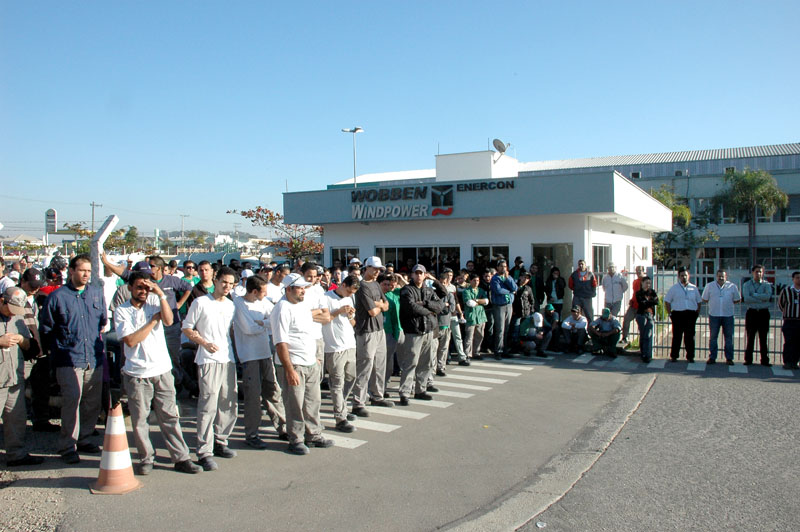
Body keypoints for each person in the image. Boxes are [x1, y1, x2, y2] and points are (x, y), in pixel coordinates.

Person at [115, 272, 202, 475]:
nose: (144, 291)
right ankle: (146, 458)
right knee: (140, 420)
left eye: (147, 287)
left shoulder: (155, 302)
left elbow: (170, 320)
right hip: (137, 373)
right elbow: (131, 340)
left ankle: (181, 458)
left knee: (170, 416)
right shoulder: (122, 311)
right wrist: (153, 322)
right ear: (129, 288)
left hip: (162, 369)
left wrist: (160, 294)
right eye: (139, 287)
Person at [39, 254, 107, 464]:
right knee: (71, 401)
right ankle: (68, 444)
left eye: (89, 271)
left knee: (91, 402)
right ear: (71, 271)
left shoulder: (96, 294)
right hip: (68, 358)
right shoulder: (57, 297)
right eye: (82, 270)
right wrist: (56, 351)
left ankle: (85, 437)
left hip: (93, 358)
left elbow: (102, 322)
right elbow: (46, 330)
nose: (86, 275)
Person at [181, 266, 238, 471]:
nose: (227, 287)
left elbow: (230, 332)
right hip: (207, 360)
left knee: (228, 402)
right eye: (224, 282)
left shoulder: (232, 305)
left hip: (227, 359)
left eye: (231, 284)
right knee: (208, 405)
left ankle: (221, 440)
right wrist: (204, 343)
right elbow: (187, 327)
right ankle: (204, 451)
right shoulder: (201, 302)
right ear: (216, 280)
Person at [271, 273, 334, 455]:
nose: (303, 291)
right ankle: (296, 439)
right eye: (300, 288)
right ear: (289, 288)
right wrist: (289, 369)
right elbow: (281, 343)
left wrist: (314, 357)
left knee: (312, 401)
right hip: (294, 364)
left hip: (310, 362)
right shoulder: (281, 309)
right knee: (294, 404)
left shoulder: (302, 305)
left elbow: (308, 333)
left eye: (304, 287)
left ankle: (313, 435)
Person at [232, 274, 287, 449]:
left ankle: (283, 427)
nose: (265, 295)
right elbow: (248, 329)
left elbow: (275, 319)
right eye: (263, 292)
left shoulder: (264, 303)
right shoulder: (239, 304)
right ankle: (252, 433)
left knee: (273, 391)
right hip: (249, 356)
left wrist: (262, 323)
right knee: (253, 397)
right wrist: (265, 324)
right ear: (254, 291)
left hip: (265, 353)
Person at [1, 287, 44, 466]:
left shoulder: (17, 317)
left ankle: (16, 454)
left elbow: (30, 346)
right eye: (10, 308)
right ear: (2, 300)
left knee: (16, 419)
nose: (13, 313)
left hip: (15, 378)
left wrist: (21, 339)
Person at [397, 265, 445, 404]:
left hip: (429, 330)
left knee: (426, 363)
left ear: (425, 275)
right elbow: (411, 307)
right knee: (410, 363)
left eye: (421, 273)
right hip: (414, 332)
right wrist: (429, 311)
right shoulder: (407, 290)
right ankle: (405, 393)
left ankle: (420, 390)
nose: (418, 276)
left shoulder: (429, 290)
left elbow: (440, 305)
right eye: (416, 273)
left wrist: (425, 303)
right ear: (412, 275)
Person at [352, 257, 392, 416]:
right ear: (366, 268)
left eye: (379, 269)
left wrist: (378, 304)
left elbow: (386, 305)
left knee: (379, 365)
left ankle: (377, 395)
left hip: (379, 329)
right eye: (374, 269)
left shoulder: (376, 284)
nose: (377, 272)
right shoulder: (362, 286)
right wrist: (379, 305)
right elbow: (372, 311)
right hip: (366, 331)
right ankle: (358, 402)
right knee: (365, 366)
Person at [322, 275, 359, 433]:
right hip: (334, 347)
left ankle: (341, 407)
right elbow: (323, 319)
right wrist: (338, 311)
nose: (350, 295)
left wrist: (350, 315)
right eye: (349, 291)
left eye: (352, 293)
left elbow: (353, 323)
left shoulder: (350, 299)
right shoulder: (326, 298)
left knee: (351, 377)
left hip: (350, 344)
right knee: (337, 383)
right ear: (342, 285)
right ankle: (340, 418)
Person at [701, 269, 741, 365]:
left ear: (726, 277)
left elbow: (737, 299)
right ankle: (712, 357)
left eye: (723, 276)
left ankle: (729, 358)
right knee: (713, 337)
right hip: (714, 315)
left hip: (728, 316)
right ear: (716, 276)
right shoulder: (710, 286)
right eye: (719, 276)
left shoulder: (732, 287)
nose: (721, 278)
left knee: (728, 338)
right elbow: (704, 299)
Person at [663, 267, 702, 362]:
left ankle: (690, 356)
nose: (684, 277)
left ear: (688, 276)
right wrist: (670, 314)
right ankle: (674, 355)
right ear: (678, 276)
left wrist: (696, 313)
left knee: (690, 337)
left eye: (685, 275)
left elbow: (699, 301)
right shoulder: (674, 288)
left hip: (690, 314)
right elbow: (667, 301)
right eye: (682, 276)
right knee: (677, 336)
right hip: (678, 315)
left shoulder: (694, 288)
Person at [742, 264, 773, 366]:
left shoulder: (767, 285)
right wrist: (760, 298)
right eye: (756, 271)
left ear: (763, 273)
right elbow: (747, 298)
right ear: (752, 272)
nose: (758, 273)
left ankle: (764, 360)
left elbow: (767, 297)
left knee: (763, 337)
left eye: (760, 272)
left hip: (763, 313)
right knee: (750, 337)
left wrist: (754, 295)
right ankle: (748, 359)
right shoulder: (747, 285)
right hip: (752, 313)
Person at [490, 260, 518, 359]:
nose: (503, 268)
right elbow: (498, 290)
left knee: (507, 329)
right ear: (497, 267)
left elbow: (515, 287)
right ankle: (498, 351)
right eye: (501, 266)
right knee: (500, 329)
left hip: (509, 305)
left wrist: (507, 279)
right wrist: (510, 291)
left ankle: (505, 349)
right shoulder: (495, 278)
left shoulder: (508, 277)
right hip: (499, 306)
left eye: (505, 266)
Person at [462, 273, 488, 361]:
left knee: (480, 336)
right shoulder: (466, 291)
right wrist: (480, 302)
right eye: (474, 280)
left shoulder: (481, 290)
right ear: (470, 281)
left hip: (481, 316)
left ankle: (476, 352)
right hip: (471, 317)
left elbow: (486, 301)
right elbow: (470, 303)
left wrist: (476, 300)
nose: (476, 282)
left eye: (478, 280)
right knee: (469, 337)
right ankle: (467, 354)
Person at [777, 271, 800, 370]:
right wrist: (787, 313)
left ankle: (795, 362)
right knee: (789, 342)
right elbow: (781, 304)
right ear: (793, 279)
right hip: (789, 320)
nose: (799, 279)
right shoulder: (786, 290)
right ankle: (787, 362)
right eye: (797, 278)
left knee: (798, 343)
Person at [635, 276, 658, 363]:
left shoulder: (652, 292)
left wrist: (648, 302)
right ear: (642, 283)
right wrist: (650, 302)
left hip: (650, 315)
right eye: (646, 283)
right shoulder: (639, 293)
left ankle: (647, 354)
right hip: (641, 315)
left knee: (648, 334)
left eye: (649, 283)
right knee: (643, 334)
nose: (648, 285)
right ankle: (643, 353)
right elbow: (641, 303)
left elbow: (656, 301)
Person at [510, 272, 534, 352]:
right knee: (515, 330)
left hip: (526, 312)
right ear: (520, 277)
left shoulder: (528, 288)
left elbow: (531, 301)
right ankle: (514, 346)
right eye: (524, 277)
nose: (525, 279)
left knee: (525, 331)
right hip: (516, 312)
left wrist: (531, 311)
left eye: (527, 278)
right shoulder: (514, 286)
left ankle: (524, 347)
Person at [622, 266, 646, 345]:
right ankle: (625, 338)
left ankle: (641, 343)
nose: (638, 272)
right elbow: (635, 293)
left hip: (641, 307)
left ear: (643, 271)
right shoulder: (635, 282)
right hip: (633, 306)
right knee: (626, 319)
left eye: (640, 271)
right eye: (637, 271)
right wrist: (632, 300)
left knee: (641, 325)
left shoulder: (646, 281)